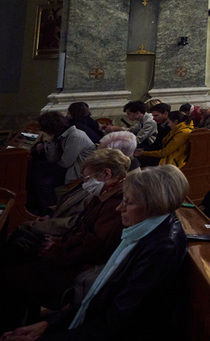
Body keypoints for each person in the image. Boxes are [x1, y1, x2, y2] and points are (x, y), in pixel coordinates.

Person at [2, 165, 190, 341]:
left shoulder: (161, 248)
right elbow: (100, 299)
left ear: (153, 205)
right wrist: (47, 324)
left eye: (128, 202)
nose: (119, 208)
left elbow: (116, 323)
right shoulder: (144, 230)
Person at [3, 149, 132, 329]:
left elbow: (92, 247)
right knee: (19, 250)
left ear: (106, 174)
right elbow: (82, 230)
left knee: (12, 277)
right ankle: (24, 321)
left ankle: (13, 328)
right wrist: (59, 243)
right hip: (71, 256)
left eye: (87, 178)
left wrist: (56, 251)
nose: (85, 183)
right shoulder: (105, 194)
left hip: (79, 270)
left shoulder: (115, 204)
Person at [27, 112, 97, 214]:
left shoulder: (75, 136)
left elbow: (65, 163)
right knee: (38, 167)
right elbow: (52, 159)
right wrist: (48, 141)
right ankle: (33, 204)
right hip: (68, 168)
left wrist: (49, 142)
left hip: (76, 172)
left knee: (43, 182)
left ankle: (50, 212)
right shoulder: (62, 135)